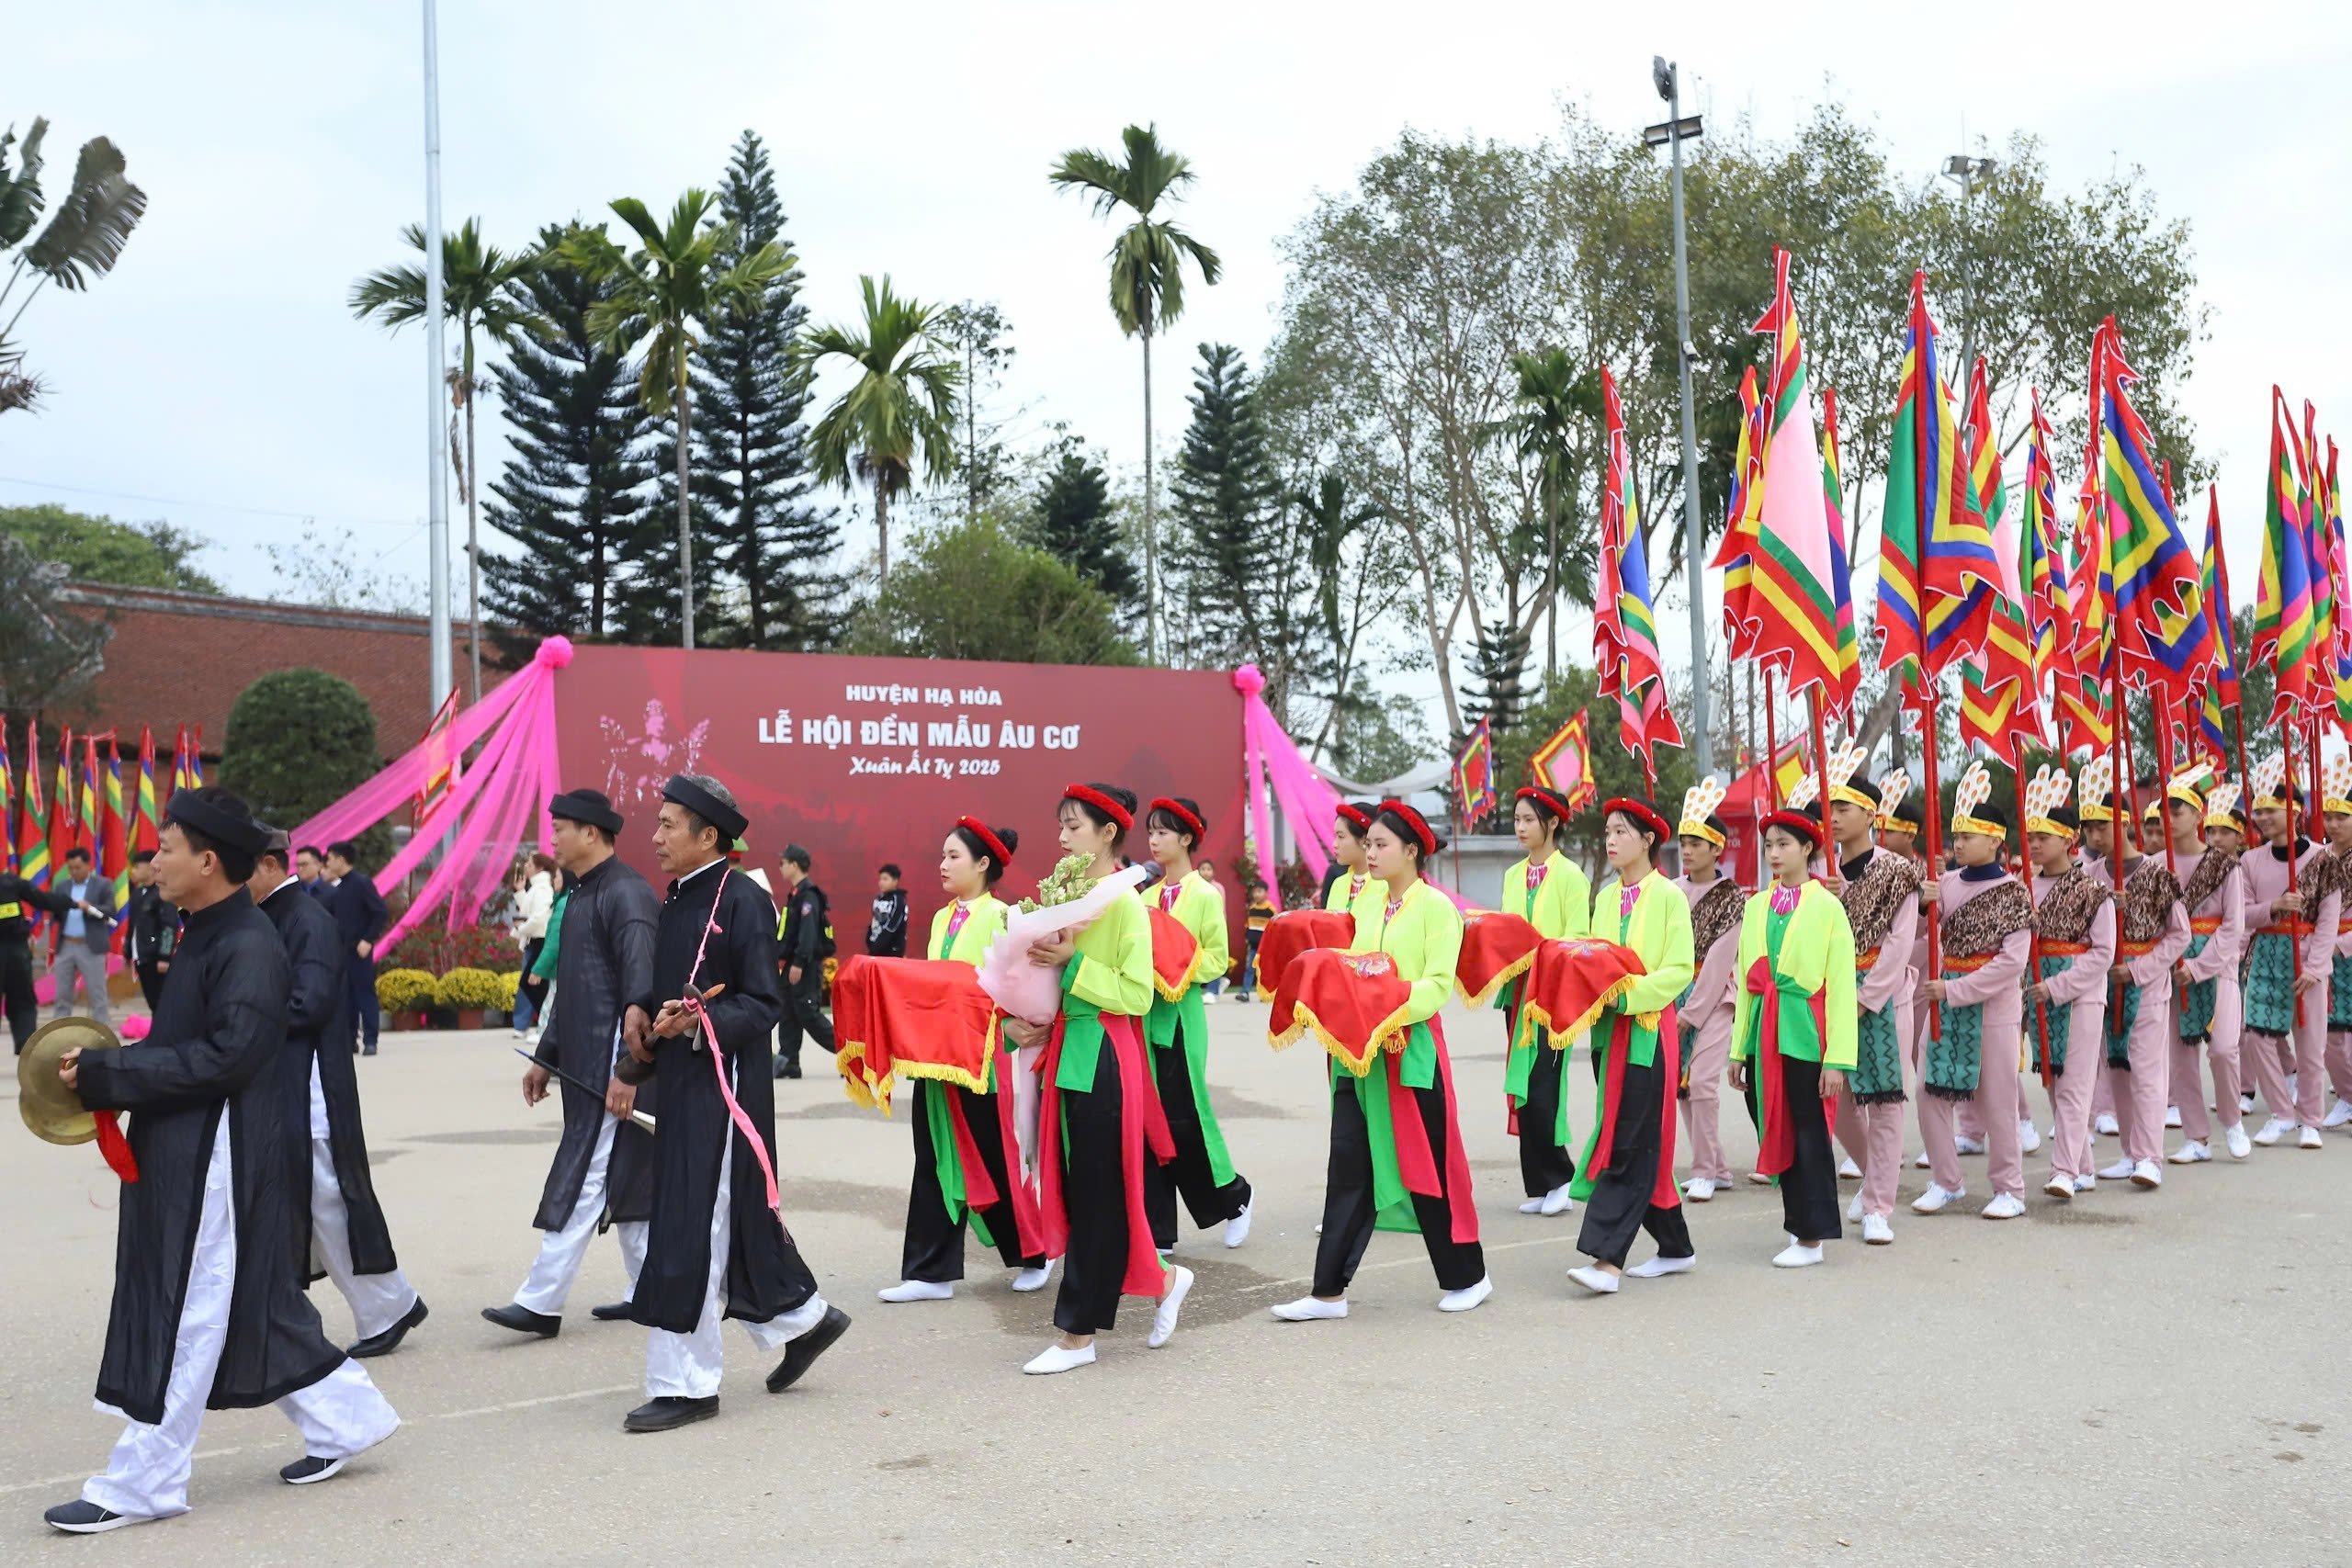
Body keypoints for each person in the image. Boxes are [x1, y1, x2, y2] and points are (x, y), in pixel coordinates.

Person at [45, 787, 399, 1534]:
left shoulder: (246, 943)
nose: (155, 860)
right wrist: (111, 1064)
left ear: (208, 860)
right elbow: (191, 1043)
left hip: (220, 1154)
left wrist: (117, 1076)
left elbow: (228, 1056)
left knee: (189, 1303)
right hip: (194, 1143)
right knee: (245, 1304)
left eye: (166, 847)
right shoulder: (208, 930)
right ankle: (349, 1417)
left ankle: (144, 1479)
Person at [619, 775, 849, 1432]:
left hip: (725, 1094)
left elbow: (763, 1003)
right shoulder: (680, 897)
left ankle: (687, 1383)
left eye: (669, 825)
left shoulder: (744, 900)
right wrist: (642, 1011)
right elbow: (667, 984)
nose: (656, 836)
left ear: (708, 835)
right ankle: (802, 1319)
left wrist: (696, 1019)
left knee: (697, 1225)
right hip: (683, 1086)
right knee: (714, 1218)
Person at [1272, 799, 1488, 1321]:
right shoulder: (1365, 902)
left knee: (1430, 1166)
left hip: (1409, 1050)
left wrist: (1386, 1003)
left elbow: (1437, 987)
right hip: (1360, 1052)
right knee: (1348, 1166)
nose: (1369, 852)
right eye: (1367, 844)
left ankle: (1468, 1276)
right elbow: (1350, 967)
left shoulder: (1437, 908)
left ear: (1411, 850)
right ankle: (1328, 1292)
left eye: (1380, 844)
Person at [1003, 782, 1193, 1373]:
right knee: (1088, 1189)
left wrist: (1072, 962)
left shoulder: (1127, 905)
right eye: (1059, 826)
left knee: (1097, 1192)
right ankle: (1162, 1280)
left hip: (1107, 1055)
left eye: (1074, 826)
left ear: (1109, 833)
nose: (1061, 837)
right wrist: (1023, 1017)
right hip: (1068, 1050)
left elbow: (1137, 995)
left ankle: (1078, 1335)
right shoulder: (1069, 899)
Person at [487, 789, 661, 1337]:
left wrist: (627, 1073)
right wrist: (545, 1058)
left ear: (593, 833)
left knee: (584, 1176)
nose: (553, 838)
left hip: (616, 1072)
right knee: (625, 1177)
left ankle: (540, 1302)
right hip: (585, 1071)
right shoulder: (580, 897)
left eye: (561, 827)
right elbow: (574, 993)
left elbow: (642, 995)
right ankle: (648, 1291)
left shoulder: (627, 894)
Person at [250, 829, 424, 1356]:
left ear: (268, 865)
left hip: (314, 1081)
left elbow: (312, 1002)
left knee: (325, 1194)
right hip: (290, 1077)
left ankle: (387, 1306)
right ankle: (390, 1300)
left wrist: (242, 1024)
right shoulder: (278, 916)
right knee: (315, 1196)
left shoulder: (306, 920)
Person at [877, 817, 1051, 1303]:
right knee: (932, 1160)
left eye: (954, 856)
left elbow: (1016, 991)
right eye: (943, 855)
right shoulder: (939, 918)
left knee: (994, 1160)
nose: (943, 864)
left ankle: (1034, 1253)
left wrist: (1013, 1031)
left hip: (980, 1061)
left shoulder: (1003, 918)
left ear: (983, 864)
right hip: (937, 1060)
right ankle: (930, 1273)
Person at [1566, 798, 1697, 1294]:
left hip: (1646, 1031)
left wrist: (1628, 994)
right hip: (1610, 1034)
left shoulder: (1668, 896)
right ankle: (1676, 1247)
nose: (1611, 840)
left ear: (1648, 840)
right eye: (1608, 832)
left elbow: (1679, 969)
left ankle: (1607, 1260)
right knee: (1637, 1142)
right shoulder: (1605, 897)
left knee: (1631, 1142)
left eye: (1622, 832)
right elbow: (1594, 959)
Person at [1728, 804, 1855, 1268]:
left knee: (1808, 1134)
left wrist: (1838, 1059)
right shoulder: (1756, 906)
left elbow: (1841, 987)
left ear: (1807, 849)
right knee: (1773, 1127)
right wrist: (1738, 1048)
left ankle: (1811, 1236)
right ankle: (1798, 1224)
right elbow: (1747, 984)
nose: (1774, 853)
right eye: (1768, 845)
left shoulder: (1828, 907)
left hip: (1806, 1036)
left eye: (1784, 844)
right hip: (1763, 1034)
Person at [1915, 784, 2033, 1220]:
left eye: (1968, 836)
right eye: (1955, 835)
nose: (1958, 843)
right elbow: (1922, 937)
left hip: (1992, 1010)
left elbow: (2011, 963)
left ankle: (2010, 1189)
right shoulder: (1944, 884)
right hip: (1943, 1003)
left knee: (1997, 1101)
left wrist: (1956, 990)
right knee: (1928, 1091)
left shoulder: (2015, 893)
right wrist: (1920, 906)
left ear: (1996, 840)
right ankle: (1947, 1181)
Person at [1141, 796, 1254, 1250]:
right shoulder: (1145, 897)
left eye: (1163, 832)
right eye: (1150, 831)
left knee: (1187, 1117)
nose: (1153, 840)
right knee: (1150, 1121)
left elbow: (1217, 960)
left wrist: (1173, 965)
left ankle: (1235, 1197)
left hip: (1182, 1016)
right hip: (1146, 1017)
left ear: (1186, 838)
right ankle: (1160, 1230)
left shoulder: (1205, 894)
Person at [1826, 773, 1917, 1244]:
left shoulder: (1898, 872)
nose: (1835, 817)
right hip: (1831, 995)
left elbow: (1899, 944)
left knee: (1884, 1102)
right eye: (1832, 808)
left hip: (1882, 998)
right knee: (1837, 1097)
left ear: (1870, 814)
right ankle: (1872, 1175)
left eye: (1845, 808)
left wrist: (1864, 999)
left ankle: (1880, 1203)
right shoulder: (1822, 872)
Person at [1501, 784, 1592, 1216]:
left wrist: (1540, 953)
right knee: (1522, 1089)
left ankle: (1560, 1176)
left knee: (1544, 1089)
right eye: (1517, 819)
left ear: (1552, 823)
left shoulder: (1572, 876)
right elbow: (1505, 934)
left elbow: (1576, 937)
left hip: (1553, 996)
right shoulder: (1511, 875)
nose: (1520, 828)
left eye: (1528, 820)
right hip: (1518, 994)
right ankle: (1537, 1182)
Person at [2018, 790, 2112, 1200]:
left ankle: (2064, 1170)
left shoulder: (2092, 888)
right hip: (2037, 995)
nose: (2035, 844)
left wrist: (2057, 987)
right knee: (2055, 1083)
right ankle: (2084, 1168)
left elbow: (2104, 951)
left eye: (2044, 836)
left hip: (2081, 997)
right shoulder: (2023, 889)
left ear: (2067, 839)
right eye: (2031, 836)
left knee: (2074, 1086)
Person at [2239, 766, 2339, 1149]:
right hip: (2266, 955)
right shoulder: (2250, 860)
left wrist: (2316, 967)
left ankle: (2310, 1119)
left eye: (2271, 809)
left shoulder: (2321, 859)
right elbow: (2242, 913)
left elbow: (2329, 916)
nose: (2263, 818)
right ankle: (2282, 1113)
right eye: (2258, 811)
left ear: (2294, 811)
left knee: (2310, 1044)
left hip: (2308, 955)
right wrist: (2275, 906)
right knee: (2258, 1037)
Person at [2094, 797, 2191, 1190]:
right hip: (2104, 983)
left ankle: (2150, 1157)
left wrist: (2137, 970)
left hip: (2145, 983)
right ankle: (2131, 1152)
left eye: (2101, 826)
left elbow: (2179, 934)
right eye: (2088, 828)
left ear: (2123, 825)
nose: (2094, 835)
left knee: (2147, 1072)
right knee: (2117, 1069)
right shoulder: (2090, 873)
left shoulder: (2157, 875)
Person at [2172, 784, 2249, 1163]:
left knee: (2222, 1049)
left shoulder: (2223, 865)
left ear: (2198, 816)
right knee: (2182, 1055)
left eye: (2177, 811)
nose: (2169, 819)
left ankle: (2232, 1119)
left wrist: (2200, 967)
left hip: (2218, 968)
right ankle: (2196, 1137)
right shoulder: (2158, 865)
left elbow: (2233, 927)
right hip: (2173, 968)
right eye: (2163, 813)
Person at [1675, 790, 1741, 1203]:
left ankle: (1702, 1171)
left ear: (1716, 848)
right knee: (1681, 1085)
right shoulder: (1669, 890)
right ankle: (1715, 1166)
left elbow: (1719, 963)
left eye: (1696, 843)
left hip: (1714, 999)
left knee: (1701, 1082)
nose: (1687, 851)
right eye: (1683, 843)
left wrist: (1692, 1011)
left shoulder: (1731, 896)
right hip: (1674, 994)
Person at [774, 844, 834, 1079]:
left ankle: (851, 1054)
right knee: (788, 1010)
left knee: (808, 1013)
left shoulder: (809, 895)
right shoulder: (797, 894)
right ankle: (789, 1061)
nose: (780, 868)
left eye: (783, 863)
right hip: (793, 963)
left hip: (805, 965)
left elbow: (808, 934)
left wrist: (798, 963)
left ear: (794, 865)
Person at [0, 862, 74, 1052]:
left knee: (23, 1000)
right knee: (23, 1001)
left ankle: (26, 1045)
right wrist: (71, 903)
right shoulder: (11, 882)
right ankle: (26, 1048)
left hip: (15, 950)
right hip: (17, 952)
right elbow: (43, 900)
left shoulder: (11, 882)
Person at [324, 841, 386, 1056]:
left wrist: (368, 939)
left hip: (359, 950)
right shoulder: (338, 887)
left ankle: (370, 1039)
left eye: (330, 858)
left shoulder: (362, 883)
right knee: (345, 997)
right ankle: (350, 1039)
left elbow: (379, 912)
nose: (328, 862)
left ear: (341, 859)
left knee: (364, 993)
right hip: (341, 950)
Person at [51, 844, 120, 1026]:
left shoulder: (102, 884)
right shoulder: (62, 887)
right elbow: (55, 914)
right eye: (70, 868)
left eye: (78, 868)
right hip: (66, 944)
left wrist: (89, 907)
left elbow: (111, 910)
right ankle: (59, 1032)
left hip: (91, 946)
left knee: (97, 993)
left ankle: (102, 1032)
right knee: (62, 994)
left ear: (88, 866)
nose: (74, 872)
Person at [2321, 760, 2352, 1132]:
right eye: (2329, 816)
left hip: (2344, 946)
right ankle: (2346, 1095)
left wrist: (2341, 944)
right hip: (2323, 950)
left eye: (2341, 817)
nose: (2333, 824)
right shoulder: (2320, 856)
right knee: (2328, 1030)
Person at [124, 851, 178, 1012]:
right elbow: (132, 926)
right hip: (140, 956)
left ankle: (164, 1035)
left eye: (136, 867)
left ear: (150, 867)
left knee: (161, 1002)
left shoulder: (162, 893)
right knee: (152, 1001)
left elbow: (169, 927)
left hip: (156, 958)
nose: (133, 871)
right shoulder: (137, 894)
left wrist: (164, 956)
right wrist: (127, 952)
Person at [513, 852, 557, 1037]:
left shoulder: (542, 888)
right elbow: (529, 910)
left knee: (533, 983)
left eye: (530, 865)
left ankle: (546, 1023)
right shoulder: (536, 888)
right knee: (530, 983)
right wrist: (520, 891)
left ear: (539, 868)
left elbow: (539, 917)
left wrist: (521, 929)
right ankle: (534, 1024)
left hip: (540, 940)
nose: (526, 867)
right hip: (534, 941)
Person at [1322, 802, 1381, 919]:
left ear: (1365, 840)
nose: (1334, 844)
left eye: (1341, 836)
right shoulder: (1338, 884)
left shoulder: (1385, 885)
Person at [866, 863, 910, 960]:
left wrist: (879, 944)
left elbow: (892, 926)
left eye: (885, 879)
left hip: (892, 950)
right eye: (880, 879)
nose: (881, 882)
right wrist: (870, 939)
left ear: (895, 881)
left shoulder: (899, 900)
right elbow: (875, 921)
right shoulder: (878, 898)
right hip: (876, 948)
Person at [1243, 881, 1277, 993]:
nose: (1256, 895)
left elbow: (1275, 927)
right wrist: (1247, 938)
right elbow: (1248, 925)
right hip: (1253, 947)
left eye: (1259, 891)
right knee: (1249, 968)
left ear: (1266, 893)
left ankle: (1265, 992)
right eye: (1254, 892)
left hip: (1265, 947)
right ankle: (1245, 992)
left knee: (1265, 970)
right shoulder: (1252, 909)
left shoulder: (1271, 910)